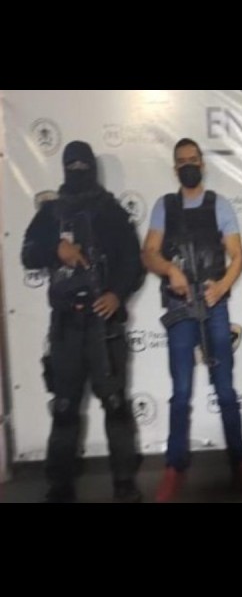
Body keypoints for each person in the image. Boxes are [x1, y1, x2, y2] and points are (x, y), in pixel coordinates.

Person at [142, 138, 242, 502]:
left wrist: (222, 286)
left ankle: (240, 462)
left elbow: (237, 255)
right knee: (181, 392)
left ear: (203, 164)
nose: (188, 165)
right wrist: (170, 270)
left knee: (225, 390)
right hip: (180, 307)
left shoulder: (219, 205)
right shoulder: (164, 206)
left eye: (193, 160)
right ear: (175, 168)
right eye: (182, 161)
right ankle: (174, 467)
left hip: (214, 305)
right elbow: (149, 252)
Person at [22, 140, 144, 503]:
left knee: (116, 405)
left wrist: (117, 294)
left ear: (92, 167)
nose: (77, 172)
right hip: (65, 327)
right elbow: (28, 254)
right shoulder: (50, 213)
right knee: (64, 408)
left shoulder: (112, 212)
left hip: (104, 327)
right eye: (71, 166)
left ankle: (124, 482)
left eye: (82, 166)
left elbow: (133, 263)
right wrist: (55, 249)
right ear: (63, 168)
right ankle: (60, 485)